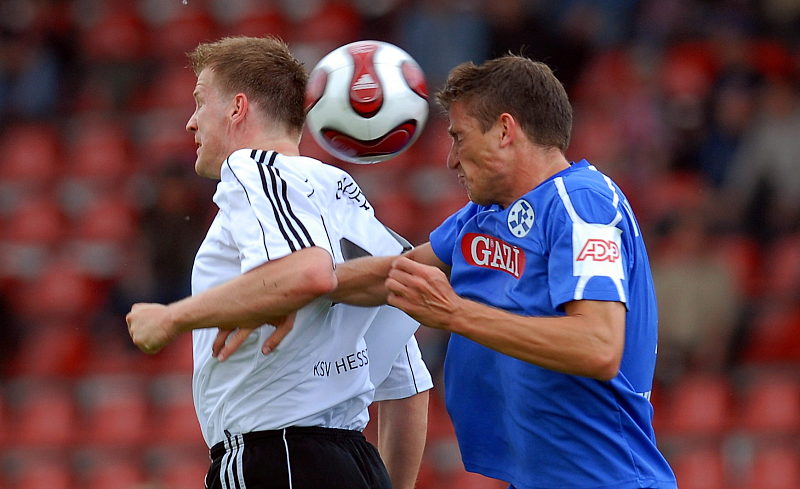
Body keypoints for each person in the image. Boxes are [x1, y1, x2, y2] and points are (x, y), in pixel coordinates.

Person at [324, 55, 678, 488]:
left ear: (505, 130)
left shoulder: (582, 203)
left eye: (459, 137)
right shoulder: (484, 215)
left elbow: (598, 347)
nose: (451, 159)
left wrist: (455, 313)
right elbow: (396, 277)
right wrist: (294, 290)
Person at [125, 36, 432, 489]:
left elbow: (307, 272)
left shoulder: (254, 169)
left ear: (237, 108)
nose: (191, 122)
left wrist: (172, 317)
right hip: (357, 464)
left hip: (278, 456)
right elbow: (407, 389)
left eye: (200, 101)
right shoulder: (356, 211)